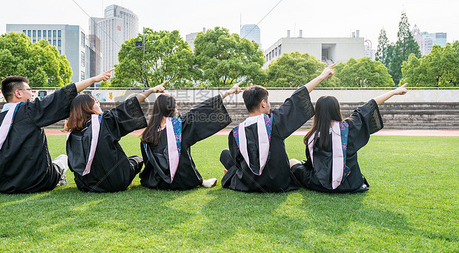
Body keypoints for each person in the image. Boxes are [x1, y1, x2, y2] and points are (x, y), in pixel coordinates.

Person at [0, 69, 113, 194]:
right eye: (29, 90)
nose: (32, 94)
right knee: (63, 159)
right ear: (18, 93)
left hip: (3, 184)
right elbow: (61, 96)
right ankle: (59, 178)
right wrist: (94, 79)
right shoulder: (29, 110)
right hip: (36, 182)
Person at [220, 65, 335, 193]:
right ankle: (232, 174)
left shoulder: (235, 132)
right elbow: (297, 98)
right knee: (226, 154)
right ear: (263, 103)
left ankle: (230, 174)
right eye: (268, 102)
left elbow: (238, 161)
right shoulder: (274, 121)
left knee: (225, 154)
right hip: (278, 181)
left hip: (250, 182)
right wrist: (321, 76)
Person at [290, 84, 408, 193]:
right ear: (337, 110)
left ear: (318, 113)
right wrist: (393, 92)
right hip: (349, 183)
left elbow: (312, 165)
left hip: (318, 184)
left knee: (293, 162)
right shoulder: (349, 128)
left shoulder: (312, 137)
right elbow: (370, 105)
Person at [65, 81, 167, 193]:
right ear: (88, 107)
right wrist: (151, 90)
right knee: (137, 159)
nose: (99, 104)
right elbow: (128, 106)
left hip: (86, 185)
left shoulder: (72, 133)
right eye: (96, 102)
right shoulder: (104, 121)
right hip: (116, 182)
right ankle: (132, 179)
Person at [139, 82, 243, 190]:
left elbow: (149, 163)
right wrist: (228, 92)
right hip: (181, 181)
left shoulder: (147, 134)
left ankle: (201, 181)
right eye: (175, 107)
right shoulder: (179, 126)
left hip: (156, 181)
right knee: (182, 148)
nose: (177, 110)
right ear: (169, 109)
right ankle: (201, 181)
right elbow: (204, 107)